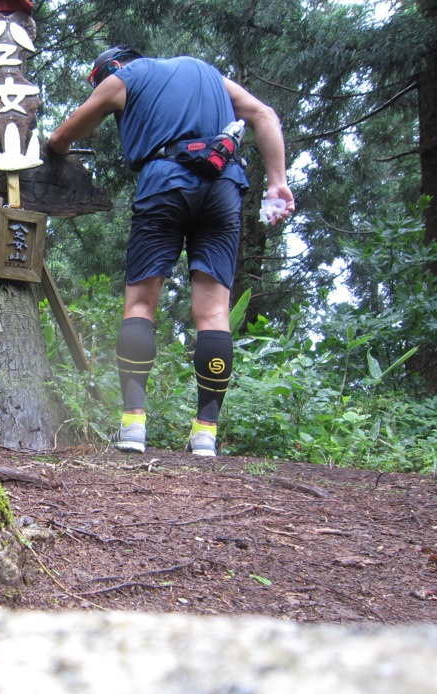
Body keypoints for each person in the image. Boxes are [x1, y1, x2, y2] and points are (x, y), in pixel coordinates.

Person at [46, 46, 295, 456]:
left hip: (164, 181)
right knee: (214, 311)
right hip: (222, 184)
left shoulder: (125, 78)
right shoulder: (211, 74)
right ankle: (205, 434)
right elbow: (264, 114)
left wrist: (53, 151)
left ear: (111, 68)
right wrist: (277, 182)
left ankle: (133, 426)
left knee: (141, 304)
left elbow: (61, 138)